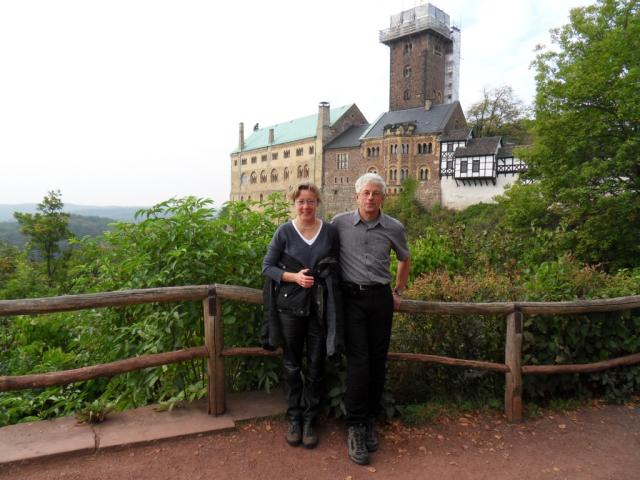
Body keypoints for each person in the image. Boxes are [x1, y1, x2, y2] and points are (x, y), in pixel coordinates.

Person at [332, 173, 411, 465]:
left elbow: (404, 258)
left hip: (380, 299)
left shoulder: (394, 227)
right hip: (351, 299)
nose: (370, 198)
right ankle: (355, 425)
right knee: (359, 363)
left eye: (376, 193)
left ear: (383, 197)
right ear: (356, 196)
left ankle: (370, 419)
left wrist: (398, 290)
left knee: (378, 361)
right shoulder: (339, 223)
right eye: (366, 193)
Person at [262, 182, 343, 449]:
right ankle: (294, 418)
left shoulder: (329, 231)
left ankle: (310, 419)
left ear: (317, 202)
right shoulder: (284, 232)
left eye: (310, 201)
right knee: (292, 364)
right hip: (290, 309)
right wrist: (293, 277)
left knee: (316, 366)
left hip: (319, 308)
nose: (306, 206)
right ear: (294, 204)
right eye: (301, 202)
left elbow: (336, 265)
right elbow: (267, 267)